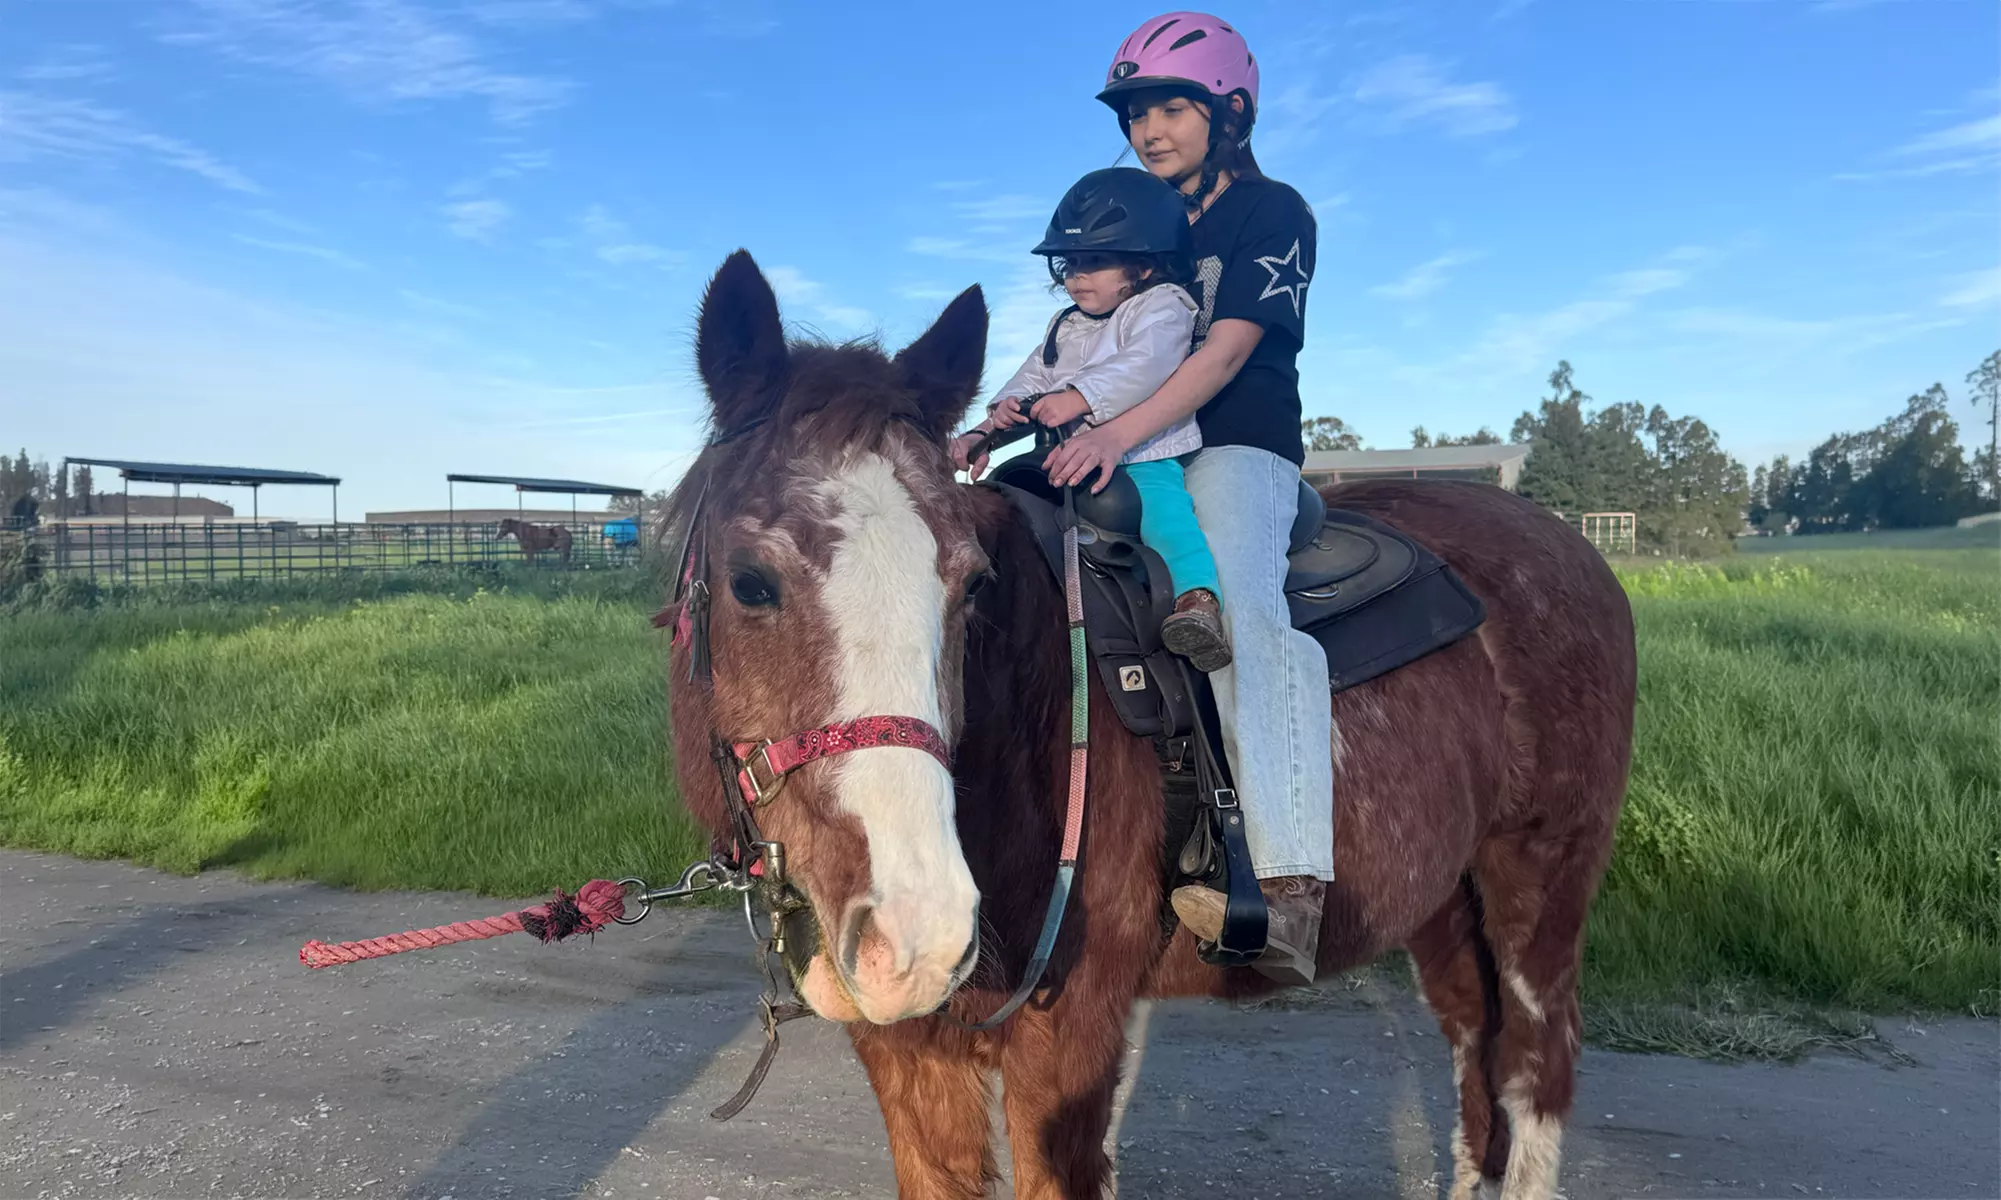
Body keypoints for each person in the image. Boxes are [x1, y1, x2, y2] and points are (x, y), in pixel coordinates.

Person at [1041, 11, 1334, 986]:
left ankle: (1289, 889)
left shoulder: (1272, 214)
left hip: (1236, 446)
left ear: (1232, 111)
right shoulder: (1138, 227)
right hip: (1129, 447)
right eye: (1134, 114)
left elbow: (1226, 350)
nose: (1149, 129)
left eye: (1173, 106)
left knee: (1244, 611)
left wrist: (1115, 433)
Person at [952, 166, 1231, 671]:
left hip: (1144, 452)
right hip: (1064, 457)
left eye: (1097, 261)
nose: (1077, 275)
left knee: (1165, 516)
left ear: (1144, 266)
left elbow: (1145, 365)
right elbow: (1034, 374)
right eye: (1071, 262)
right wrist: (992, 424)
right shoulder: (1067, 322)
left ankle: (1198, 600)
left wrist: (1079, 397)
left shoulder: (1163, 307)